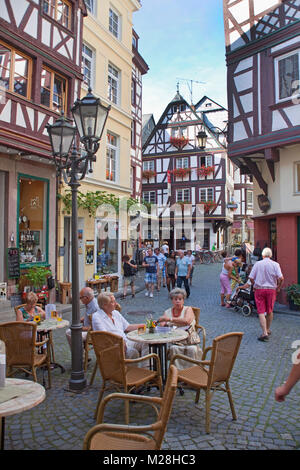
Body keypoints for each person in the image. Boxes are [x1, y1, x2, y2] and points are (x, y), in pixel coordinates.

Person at [92, 293, 147, 360]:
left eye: (115, 301)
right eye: (112, 302)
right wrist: (120, 342)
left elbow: (128, 327)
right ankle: (126, 370)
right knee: (132, 352)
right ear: (104, 305)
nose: (116, 304)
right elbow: (105, 337)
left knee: (145, 342)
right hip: (113, 347)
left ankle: (145, 368)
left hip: (125, 341)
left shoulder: (115, 313)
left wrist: (145, 326)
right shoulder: (97, 317)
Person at [158, 288, 202, 369]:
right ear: (172, 300)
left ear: (183, 300)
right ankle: (177, 373)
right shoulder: (167, 312)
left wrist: (170, 319)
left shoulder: (188, 309)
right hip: (174, 340)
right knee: (174, 348)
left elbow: (187, 321)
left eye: (180, 299)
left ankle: (190, 372)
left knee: (192, 349)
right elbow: (162, 326)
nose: (178, 301)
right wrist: (160, 324)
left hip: (189, 339)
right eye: (175, 299)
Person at [249, 247, 284, 342]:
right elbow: (281, 278)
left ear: (263, 255)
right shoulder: (275, 264)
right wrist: (279, 287)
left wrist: (254, 285)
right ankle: (268, 329)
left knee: (261, 311)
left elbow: (251, 277)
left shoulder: (257, 264)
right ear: (271, 255)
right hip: (271, 290)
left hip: (259, 289)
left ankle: (264, 332)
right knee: (270, 310)